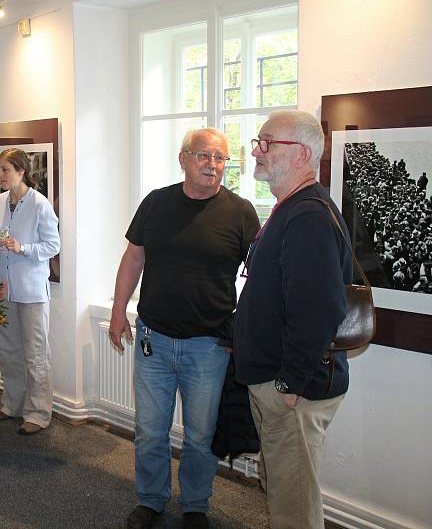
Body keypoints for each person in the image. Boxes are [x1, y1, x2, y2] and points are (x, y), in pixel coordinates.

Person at [109, 129, 259, 529]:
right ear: (184, 158)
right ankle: (152, 499)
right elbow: (133, 259)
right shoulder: (156, 203)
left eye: (221, 158)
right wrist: (118, 310)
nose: (213, 165)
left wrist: (241, 329)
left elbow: (261, 278)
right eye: (204, 156)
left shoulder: (241, 212)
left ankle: (195, 505)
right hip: (153, 341)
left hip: (209, 347)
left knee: (199, 436)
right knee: (150, 432)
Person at [234, 110, 353, 529]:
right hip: (280, 381)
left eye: (268, 143)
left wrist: (290, 382)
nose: (256, 151)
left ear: (302, 154)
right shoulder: (293, 208)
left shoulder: (308, 217)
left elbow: (320, 309)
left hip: (291, 389)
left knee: (294, 508)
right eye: (257, 142)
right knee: (285, 492)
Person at [0, 148, 60, 436]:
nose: (1, 176)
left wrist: (23, 248)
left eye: (5, 170)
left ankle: (38, 413)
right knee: (9, 350)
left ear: (21, 171)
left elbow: (53, 246)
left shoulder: (40, 204)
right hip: (4, 288)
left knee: (35, 355)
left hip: (31, 291)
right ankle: (12, 404)